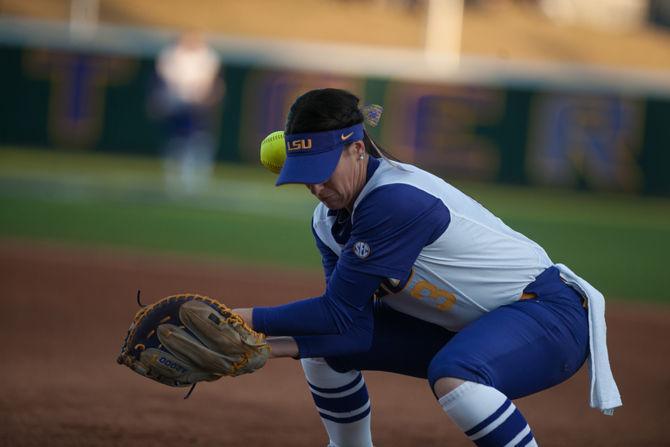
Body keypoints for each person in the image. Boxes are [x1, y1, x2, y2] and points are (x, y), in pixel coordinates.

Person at [234, 88, 621, 446]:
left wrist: (237, 319)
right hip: (467, 325)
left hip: (548, 317)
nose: (316, 187)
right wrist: (267, 347)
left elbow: (334, 312)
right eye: (305, 175)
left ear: (356, 150)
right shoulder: (326, 221)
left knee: (457, 376)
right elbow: (347, 324)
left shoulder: (394, 200)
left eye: (322, 169)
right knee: (321, 352)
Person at [152, 32, 223, 197]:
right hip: (178, 104)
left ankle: (198, 179)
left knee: (200, 140)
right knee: (178, 141)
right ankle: (174, 179)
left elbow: (215, 84)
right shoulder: (170, 55)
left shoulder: (209, 56)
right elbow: (163, 82)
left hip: (200, 105)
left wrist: (207, 98)